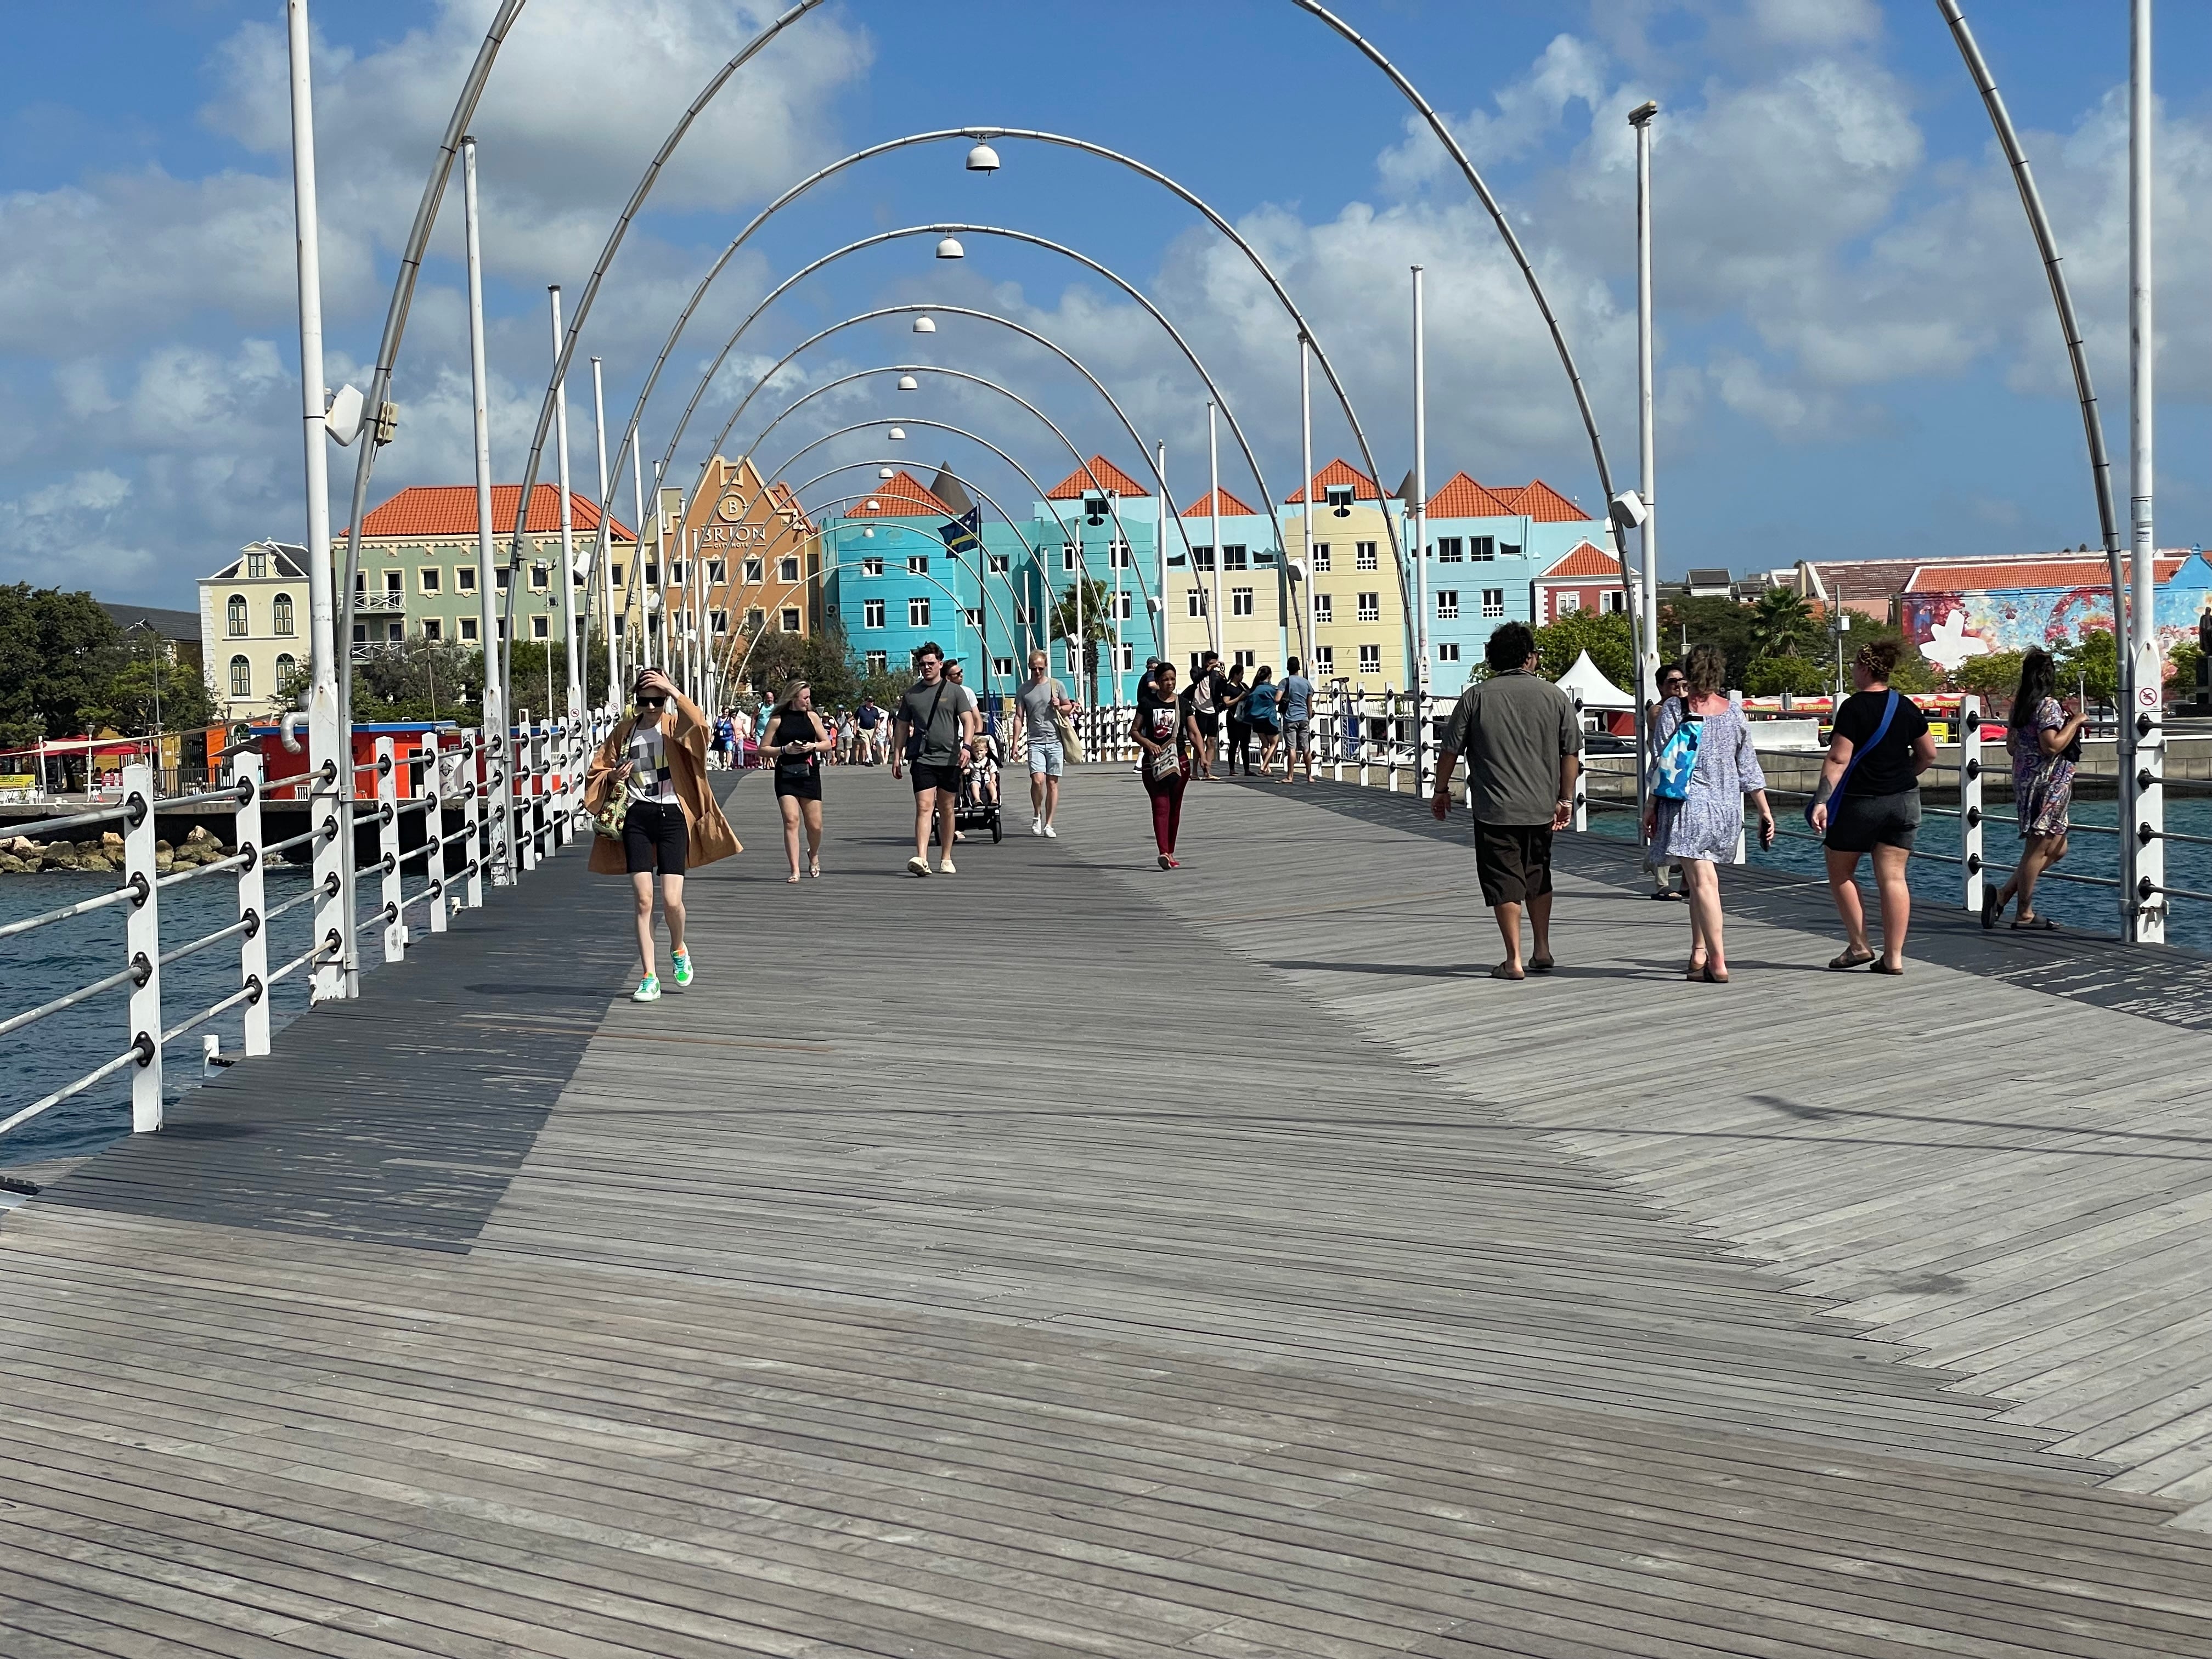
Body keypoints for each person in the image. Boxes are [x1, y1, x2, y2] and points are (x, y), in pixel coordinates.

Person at [1429, 622, 1581, 981]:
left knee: (1503, 881)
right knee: (1537, 875)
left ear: (1493, 658)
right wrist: (1565, 798)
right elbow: (1570, 752)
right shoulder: (1555, 696)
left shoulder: (1476, 697)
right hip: (1542, 805)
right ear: (1530, 657)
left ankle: (1513, 959)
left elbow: (1450, 750)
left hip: (1494, 807)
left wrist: (1440, 790)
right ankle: (1542, 949)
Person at [583, 667, 741, 1003]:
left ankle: (679, 946)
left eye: (658, 700)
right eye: (645, 700)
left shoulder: (674, 726)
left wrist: (673, 689)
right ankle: (648, 976)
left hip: (673, 815)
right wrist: (613, 776)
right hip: (637, 816)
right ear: (636, 700)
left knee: (671, 901)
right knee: (643, 900)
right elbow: (597, 772)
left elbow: (700, 727)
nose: (652, 707)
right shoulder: (624, 732)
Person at [1641, 646, 1776, 983]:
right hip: (1725, 809)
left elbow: (1661, 762)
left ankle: (1718, 961)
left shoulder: (1675, 709)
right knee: (1704, 883)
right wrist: (1764, 810)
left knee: (1703, 883)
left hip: (1688, 807)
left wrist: (1650, 807)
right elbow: (1748, 766)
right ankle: (1699, 951)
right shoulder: (1734, 713)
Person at [1812, 639, 1937, 974]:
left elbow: (1839, 758)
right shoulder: (1906, 705)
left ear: (1866, 668)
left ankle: (1859, 945)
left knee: (1841, 872)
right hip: (1904, 801)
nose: (1853, 670)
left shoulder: (1853, 708)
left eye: (1854, 664)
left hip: (1860, 801)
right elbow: (1929, 754)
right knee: (1894, 877)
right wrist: (1901, 777)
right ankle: (1893, 958)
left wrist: (1821, 801)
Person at [1986, 647, 2085, 932]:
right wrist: (2076, 721)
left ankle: (2004, 895)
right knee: (2038, 847)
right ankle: (2024, 913)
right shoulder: (2048, 706)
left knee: (2057, 847)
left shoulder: (2021, 706)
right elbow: (2051, 745)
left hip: (2026, 781)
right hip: (2049, 783)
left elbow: (2011, 746)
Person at [892, 643, 979, 876]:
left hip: (951, 758)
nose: (927, 668)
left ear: (940, 664)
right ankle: (921, 858)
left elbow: (968, 721)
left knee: (947, 808)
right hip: (922, 759)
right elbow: (901, 726)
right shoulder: (912, 695)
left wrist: (967, 747)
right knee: (924, 807)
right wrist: (897, 755)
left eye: (931, 663)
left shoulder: (954, 692)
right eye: (922, 664)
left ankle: (946, 857)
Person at [763, 679, 831, 883]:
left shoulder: (812, 717)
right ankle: (795, 870)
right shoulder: (777, 720)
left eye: (809, 697)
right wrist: (784, 749)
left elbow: (827, 743)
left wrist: (812, 747)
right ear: (793, 697)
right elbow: (762, 748)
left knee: (815, 826)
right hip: (785, 773)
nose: (808, 701)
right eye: (805, 698)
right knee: (791, 821)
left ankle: (814, 854)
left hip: (809, 773)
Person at [1132, 661, 1188, 869]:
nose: (1169, 683)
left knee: (1175, 808)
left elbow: (1193, 731)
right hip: (1153, 764)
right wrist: (1148, 743)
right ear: (1157, 681)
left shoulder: (1182, 703)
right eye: (1165, 679)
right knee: (1161, 805)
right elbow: (1135, 731)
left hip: (1179, 761)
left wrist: (1203, 755)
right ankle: (1163, 852)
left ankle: (1170, 852)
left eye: (1172, 679)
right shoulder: (1148, 703)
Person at [1015, 650, 1074, 836]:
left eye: (1040, 668)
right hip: (1036, 741)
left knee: (1052, 783)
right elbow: (1019, 717)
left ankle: (1049, 824)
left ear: (1046, 666)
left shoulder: (1056, 686)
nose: (1037, 672)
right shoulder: (1024, 689)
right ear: (1029, 668)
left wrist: (1060, 706)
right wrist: (1015, 743)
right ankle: (1036, 814)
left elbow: (1069, 708)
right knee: (1037, 780)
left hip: (1055, 740)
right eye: (1034, 669)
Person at [1645, 663, 1690, 900]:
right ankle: (1662, 883)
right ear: (1661, 686)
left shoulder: (1688, 707)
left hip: (1683, 774)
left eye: (1683, 681)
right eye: (1672, 682)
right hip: (1663, 776)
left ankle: (1685, 882)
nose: (1678, 686)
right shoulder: (1658, 710)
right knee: (1664, 827)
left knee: (1686, 829)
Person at [1188, 650, 1226, 780]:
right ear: (1205, 662)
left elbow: (1222, 690)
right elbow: (1195, 679)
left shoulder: (1216, 675)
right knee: (1199, 742)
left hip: (1213, 710)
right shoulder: (1197, 670)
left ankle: (1207, 772)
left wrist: (1223, 679)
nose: (1213, 666)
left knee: (1211, 741)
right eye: (1210, 663)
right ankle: (1194, 772)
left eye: (1215, 663)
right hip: (1200, 709)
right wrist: (1209, 669)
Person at [1279, 656, 1316, 783]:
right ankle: (1309, 776)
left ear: (1288, 668)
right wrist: (1309, 716)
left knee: (1292, 748)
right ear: (1299, 668)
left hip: (1290, 718)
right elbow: (1309, 704)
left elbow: (1277, 699)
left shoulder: (1285, 682)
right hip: (1304, 718)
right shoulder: (1306, 683)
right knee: (1306, 747)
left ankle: (1290, 776)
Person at [1244, 666, 1282, 778]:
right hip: (1269, 718)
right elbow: (1280, 698)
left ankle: (1267, 769)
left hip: (1256, 720)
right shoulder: (1272, 689)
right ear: (1269, 676)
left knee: (1264, 744)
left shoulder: (1254, 690)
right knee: (1275, 743)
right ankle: (1264, 766)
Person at [1222, 661, 1252, 775]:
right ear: (1235, 674)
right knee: (1234, 743)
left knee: (1245, 745)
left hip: (1244, 718)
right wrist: (1239, 698)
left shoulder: (1243, 686)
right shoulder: (1228, 688)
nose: (1242, 676)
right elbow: (1226, 703)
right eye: (1241, 674)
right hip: (1233, 718)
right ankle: (1232, 769)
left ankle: (1247, 769)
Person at [855, 696, 883, 765]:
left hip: (872, 730)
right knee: (867, 743)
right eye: (870, 701)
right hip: (863, 730)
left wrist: (878, 728)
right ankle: (871, 759)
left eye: (873, 701)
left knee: (869, 745)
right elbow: (855, 718)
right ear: (866, 702)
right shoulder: (861, 709)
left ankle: (867, 761)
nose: (872, 703)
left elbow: (878, 719)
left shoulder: (875, 710)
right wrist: (855, 728)